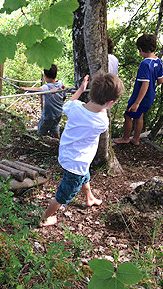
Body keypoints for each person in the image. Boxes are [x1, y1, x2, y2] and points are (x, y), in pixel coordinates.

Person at [39, 72, 125, 227]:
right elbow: (102, 110)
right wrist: (105, 104)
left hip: (67, 153)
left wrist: (80, 89)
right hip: (76, 163)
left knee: (85, 175)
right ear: (109, 102)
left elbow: (70, 102)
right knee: (63, 195)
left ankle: (89, 197)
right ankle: (44, 218)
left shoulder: (75, 107)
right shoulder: (101, 122)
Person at [114, 34, 163, 145]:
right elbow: (160, 81)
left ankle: (126, 138)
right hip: (150, 96)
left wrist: (137, 102)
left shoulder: (145, 64)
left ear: (140, 49)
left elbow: (145, 84)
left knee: (127, 115)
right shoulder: (158, 61)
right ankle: (136, 139)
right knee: (139, 116)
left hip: (140, 96)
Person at [20, 64, 66, 139]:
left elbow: (36, 89)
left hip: (48, 116)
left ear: (45, 76)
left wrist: (25, 88)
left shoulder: (46, 87)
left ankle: (40, 145)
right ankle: (59, 144)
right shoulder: (61, 84)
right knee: (55, 128)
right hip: (58, 114)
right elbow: (64, 97)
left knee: (41, 132)